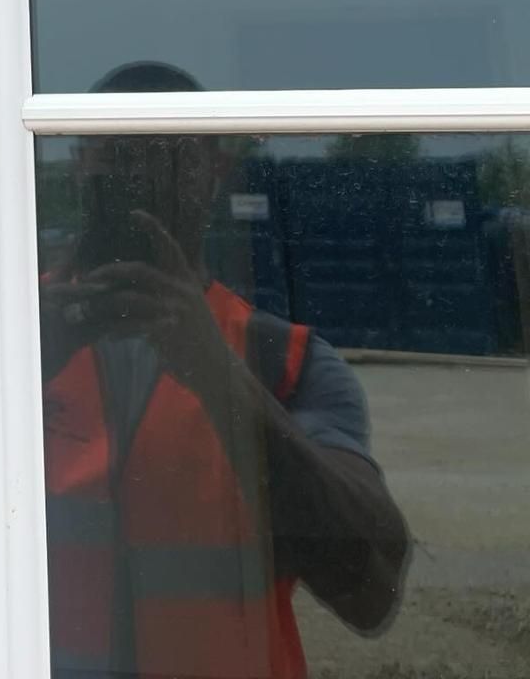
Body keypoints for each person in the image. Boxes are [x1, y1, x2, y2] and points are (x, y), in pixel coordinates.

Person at [40, 62, 410, 679]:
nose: (138, 181)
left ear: (216, 170)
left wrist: (218, 375)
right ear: (81, 164)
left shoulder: (284, 363)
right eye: (118, 161)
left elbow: (370, 592)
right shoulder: (10, 338)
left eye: (164, 164)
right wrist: (22, 366)